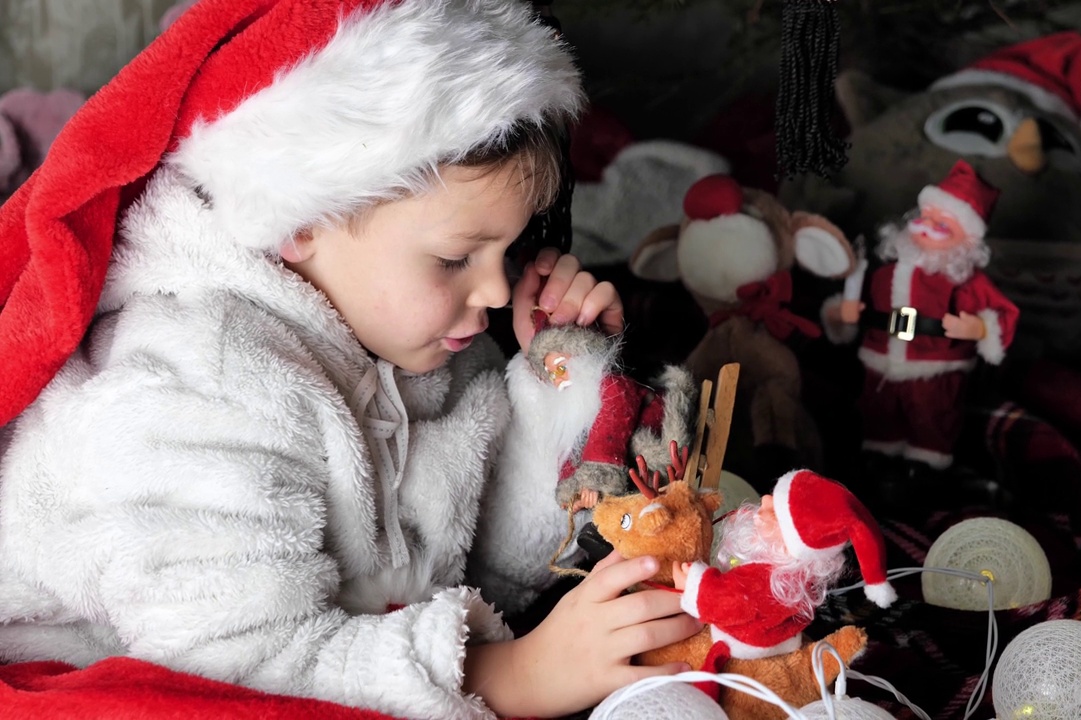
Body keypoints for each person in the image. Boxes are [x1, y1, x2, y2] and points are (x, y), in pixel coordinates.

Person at [0, 1, 701, 718]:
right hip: (105, 678)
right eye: (457, 257)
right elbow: (239, 672)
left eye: (507, 250)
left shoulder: (418, 341)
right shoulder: (199, 379)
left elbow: (483, 573)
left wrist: (557, 380)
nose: (494, 290)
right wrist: (513, 675)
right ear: (300, 220)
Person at [467, 313, 694, 616]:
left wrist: (592, 479)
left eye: (561, 367)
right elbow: (574, 449)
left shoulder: (612, 386)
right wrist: (573, 489)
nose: (559, 380)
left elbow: (608, 433)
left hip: (648, 440)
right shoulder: (573, 407)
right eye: (552, 373)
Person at [823, 160, 1019, 472]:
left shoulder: (966, 281)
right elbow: (855, 303)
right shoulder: (883, 273)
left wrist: (981, 327)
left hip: (935, 367)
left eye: (943, 224)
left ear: (968, 240)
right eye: (925, 216)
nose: (927, 225)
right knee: (879, 414)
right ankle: (878, 456)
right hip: (880, 361)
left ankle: (926, 464)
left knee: (932, 417)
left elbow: (1002, 312)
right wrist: (842, 314)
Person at [671, 470, 895, 660]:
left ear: (791, 545)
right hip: (782, 638)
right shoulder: (793, 577)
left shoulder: (765, 581)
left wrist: (693, 584)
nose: (765, 499)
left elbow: (729, 600)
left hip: (741, 644)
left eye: (777, 510)